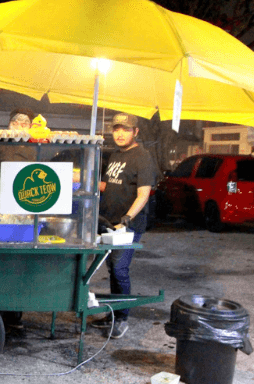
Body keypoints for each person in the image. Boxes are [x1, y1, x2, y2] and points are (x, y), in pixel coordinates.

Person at [91, 113, 156, 339]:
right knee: (112, 270)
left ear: (136, 132)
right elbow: (109, 185)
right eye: (117, 128)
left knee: (120, 269)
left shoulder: (143, 157)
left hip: (127, 225)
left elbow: (143, 193)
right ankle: (113, 311)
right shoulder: (117, 155)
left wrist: (127, 218)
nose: (120, 133)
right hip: (109, 222)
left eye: (126, 129)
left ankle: (122, 319)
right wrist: (81, 180)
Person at [0, 108, 39, 181]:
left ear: (30, 127)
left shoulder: (32, 149)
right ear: (9, 124)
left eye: (23, 124)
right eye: (15, 123)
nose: (18, 127)